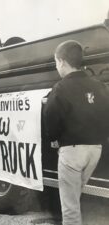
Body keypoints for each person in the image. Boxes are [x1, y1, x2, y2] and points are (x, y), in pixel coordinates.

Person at [44, 40, 109, 225]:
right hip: (95, 150)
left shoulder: (60, 88)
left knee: (70, 207)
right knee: (75, 195)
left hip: (72, 152)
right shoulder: (99, 86)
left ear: (62, 62)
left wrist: (54, 138)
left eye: (56, 62)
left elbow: (51, 117)